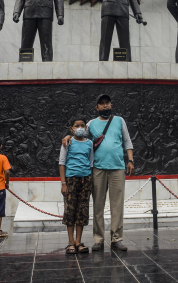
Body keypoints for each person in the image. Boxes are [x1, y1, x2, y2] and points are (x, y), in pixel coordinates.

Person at [62, 94, 134, 251]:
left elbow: (127, 141)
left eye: (107, 103)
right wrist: (68, 135)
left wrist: (130, 160)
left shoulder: (119, 120)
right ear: (97, 108)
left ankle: (116, 239)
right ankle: (99, 239)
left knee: (117, 205)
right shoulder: (91, 124)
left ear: (111, 105)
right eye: (101, 104)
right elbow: (78, 134)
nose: (105, 105)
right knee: (98, 205)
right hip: (98, 169)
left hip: (117, 168)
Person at [59, 115, 94, 254]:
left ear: (86, 128)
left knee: (82, 211)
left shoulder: (89, 143)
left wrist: (90, 182)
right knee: (70, 210)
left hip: (85, 180)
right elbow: (62, 163)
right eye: (77, 126)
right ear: (71, 129)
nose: (80, 128)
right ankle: (70, 242)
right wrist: (63, 183)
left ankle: (79, 241)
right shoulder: (67, 143)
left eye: (82, 125)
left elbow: (91, 163)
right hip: (70, 180)